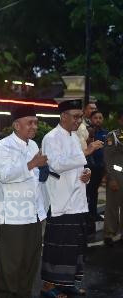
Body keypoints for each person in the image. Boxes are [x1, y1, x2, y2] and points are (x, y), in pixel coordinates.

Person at [40, 99, 103, 298]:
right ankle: (48, 287)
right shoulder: (51, 138)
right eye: (75, 117)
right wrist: (86, 152)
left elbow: (80, 165)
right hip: (61, 201)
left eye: (80, 117)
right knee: (57, 245)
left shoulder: (75, 137)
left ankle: (67, 284)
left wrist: (87, 173)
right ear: (63, 116)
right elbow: (56, 165)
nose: (78, 121)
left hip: (77, 200)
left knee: (74, 246)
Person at [0, 106, 48, 298]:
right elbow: (5, 176)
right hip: (13, 217)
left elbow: (35, 180)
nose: (34, 126)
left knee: (29, 266)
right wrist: (33, 164)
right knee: (11, 269)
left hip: (33, 216)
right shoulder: (4, 146)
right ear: (16, 125)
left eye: (35, 122)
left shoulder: (32, 145)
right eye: (30, 123)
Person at [103, 111, 123, 246]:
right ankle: (109, 233)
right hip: (117, 175)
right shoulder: (113, 136)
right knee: (112, 206)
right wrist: (111, 178)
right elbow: (108, 158)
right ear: (120, 121)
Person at [86, 110, 108, 223]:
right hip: (89, 167)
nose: (98, 120)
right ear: (90, 119)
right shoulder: (86, 131)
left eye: (100, 118)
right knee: (88, 192)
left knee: (94, 191)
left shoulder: (106, 133)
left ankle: (93, 214)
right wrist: (90, 135)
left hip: (100, 167)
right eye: (95, 118)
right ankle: (88, 215)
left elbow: (107, 151)